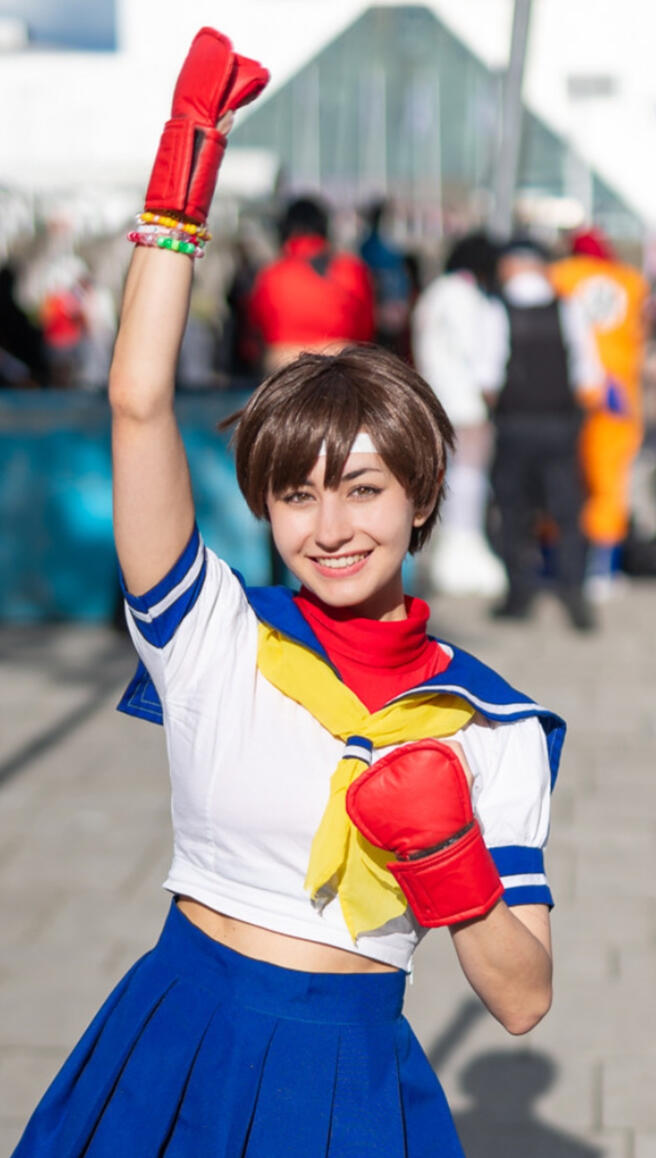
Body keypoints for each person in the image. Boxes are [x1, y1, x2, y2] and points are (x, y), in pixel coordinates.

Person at [13, 29, 561, 1157]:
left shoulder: (489, 723)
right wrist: (182, 180)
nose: (329, 526)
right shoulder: (214, 634)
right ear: (263, 507)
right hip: (173, 1039)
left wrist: (450, 864)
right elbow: (135, 404)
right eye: (297, 495)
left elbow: (521, 999)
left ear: (419, 499)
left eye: (362, 489)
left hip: (346, 1079)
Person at [486, 236, 605, 629]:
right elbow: (588, 372)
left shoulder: (496, 309)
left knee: (514, 510)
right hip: (560, 424)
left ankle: (519, 595)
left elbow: (487, 376)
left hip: (515, 423)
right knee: (568, 512)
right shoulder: (567, 307)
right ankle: (575, 595)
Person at [551, 228, 649, 601]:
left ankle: (557, 564)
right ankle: (602, 570)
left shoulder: (560, 275)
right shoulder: (631, 281)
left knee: (563, 481)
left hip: (568, 392)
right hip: (619, 397)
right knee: (610, 485)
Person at [412, 231, 507, 597]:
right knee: (468, 482)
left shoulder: (434, 294)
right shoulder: (467, 296)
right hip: (465, 403)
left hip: (435, 398)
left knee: (441, 483)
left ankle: (442, 559)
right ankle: (461, 557)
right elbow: (478, 355)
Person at [248, 194, 374, 373]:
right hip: (343, 364)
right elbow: (365, 327)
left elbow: (256, 327)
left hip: (284, 364)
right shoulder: (353, 270)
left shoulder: (271, 275)